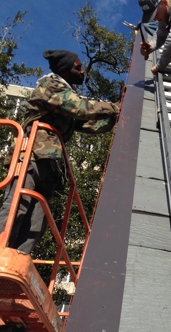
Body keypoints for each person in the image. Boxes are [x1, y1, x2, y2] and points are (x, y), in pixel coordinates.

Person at [0, 50, 120, 255]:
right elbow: (80, 108)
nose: (82, 71)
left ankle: (17, 261)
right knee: (17, 205)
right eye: (78, 67)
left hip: (51, 163)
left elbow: (93, 125)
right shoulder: (50, 86)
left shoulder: (66, 97)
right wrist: (114, 107)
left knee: (38, 220)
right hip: (31, 154)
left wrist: (117, 113)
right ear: (65, 69)